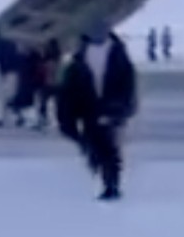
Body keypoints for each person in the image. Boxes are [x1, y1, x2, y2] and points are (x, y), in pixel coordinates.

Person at [57, 22, 137, 201]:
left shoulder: (117, 54)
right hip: (89, 109)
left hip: (112, 109)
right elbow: (69, 89)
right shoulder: (80, 56)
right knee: (95, 146)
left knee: (110, 148)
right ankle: (104, 176)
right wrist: (67, 115)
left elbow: (127, 85)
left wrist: (122, 108)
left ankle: (111, 184)